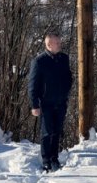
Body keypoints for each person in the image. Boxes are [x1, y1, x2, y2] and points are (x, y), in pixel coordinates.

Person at [28, 31, 73, 172]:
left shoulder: (64, 58)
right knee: (47, 133)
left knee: (57, 131)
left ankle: (54, 158)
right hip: (45, 103)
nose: (60, 45)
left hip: (60, 102)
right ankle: (46, 160)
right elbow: (33, 85)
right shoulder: (39, 61)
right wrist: (34, 105)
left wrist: (66, 92)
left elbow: (69, 77)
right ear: (49, 45)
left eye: (60, 42)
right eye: (57, 43)